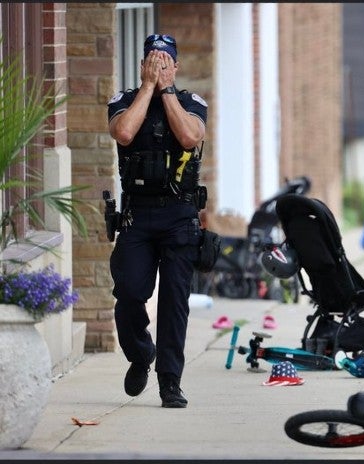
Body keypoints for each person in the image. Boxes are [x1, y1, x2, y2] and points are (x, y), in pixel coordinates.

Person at [106, 34, 207, 408]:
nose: (160, 64)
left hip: (179, 215)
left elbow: (188, 136)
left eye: (166, 60)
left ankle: (170, 382)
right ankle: (140, 353)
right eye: (153, 59)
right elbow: (125, 132)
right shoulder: (123, 101)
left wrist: (165, 91)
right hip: (138, 215)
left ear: (176, 66)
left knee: (174, 301)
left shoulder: (190, 103)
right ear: (143, 64)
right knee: (129, 292)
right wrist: (148, 87)